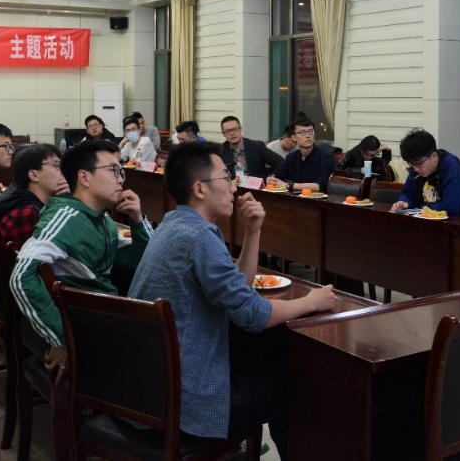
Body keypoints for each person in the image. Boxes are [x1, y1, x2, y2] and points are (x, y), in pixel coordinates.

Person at [129, 142, 335, 457]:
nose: (233, 188)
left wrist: (252, 232)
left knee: (261, 358)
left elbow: (237, 287)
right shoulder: (199, 237)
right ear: (200, 188)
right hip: (184, 403)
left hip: (147, 393)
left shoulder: (174, 224)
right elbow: (254, 314)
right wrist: (313, 301)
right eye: (226, 178)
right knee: (292, 385)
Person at [9, 140, 153, 381]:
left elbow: (140, 263)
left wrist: (138, 220)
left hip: (103, 313)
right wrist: (60, 337)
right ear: (84, 177)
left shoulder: (102, 220)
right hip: (89, 326)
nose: (121, 180)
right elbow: (20, 276)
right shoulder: (65, 218)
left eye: (121, 171)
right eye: (113, 170)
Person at [0, 144, 69, 245]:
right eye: (56, 165)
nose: (64, 171)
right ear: (33, 175)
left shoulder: (23, 201)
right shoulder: (29, 213)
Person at [391, 128, 460, 215]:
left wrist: (423, 207)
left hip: (457, 221)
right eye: (411, 164)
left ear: (434, 156)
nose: (416, 169)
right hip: (425, 219)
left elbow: (450, 206)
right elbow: (408, 192)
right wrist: (404, 202)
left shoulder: (453, 168)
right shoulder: (417, 167)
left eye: (418, 164)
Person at [265, 117, 335, 192]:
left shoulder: (326, 158)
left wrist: (289, 185)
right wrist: (270, 179)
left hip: (318, 198)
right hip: (295, 197)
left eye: (310, 131)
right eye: (303, 132)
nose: (308, 136)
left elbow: (319, 186)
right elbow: (277, 173)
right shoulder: (291, 157)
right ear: (293, 137)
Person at [219, 115, 283, 179]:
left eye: (235, 129)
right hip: (232, 184)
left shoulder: (257, 146)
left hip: (256, 184)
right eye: (228, 131)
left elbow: (281, 163)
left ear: (240, 129)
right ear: (223, 134)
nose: (232, 133)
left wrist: (269, 177)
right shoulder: (220, 151)